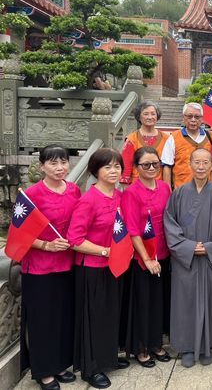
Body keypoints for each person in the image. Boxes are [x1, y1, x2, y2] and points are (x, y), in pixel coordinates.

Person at [164, 148, 212, 367]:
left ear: (211, 165)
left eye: (206, 163)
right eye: (197, 162)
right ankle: (187, 346)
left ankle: (207, 345)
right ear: (189, 164)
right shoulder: (179, 193)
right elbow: (170, 225)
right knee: (186, 301)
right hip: (187, 258)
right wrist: (189, 247)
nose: (201, 167)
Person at [67, 148, 129, 389]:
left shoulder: (119, 196)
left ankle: (108, 357)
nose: (113, 171)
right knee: (93, 319)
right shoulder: (88, 199)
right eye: (107, 167)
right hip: (92, 268)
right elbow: (75, 239)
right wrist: (105, 251)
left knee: (110, 315)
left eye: (117, 166)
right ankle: (91, 368)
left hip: (115, 266)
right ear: (95, 171)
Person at [20, 145, 81, 390]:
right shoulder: (32, 194)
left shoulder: (74, 190)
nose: (60, 168)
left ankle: (59, 364)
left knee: (63, 317)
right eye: (53, 163)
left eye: (64, 162)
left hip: (67, 264)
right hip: (39, 267)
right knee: (42, 320)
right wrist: (46, 245)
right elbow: (19, 232)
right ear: (42, 166)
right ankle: (44, 371)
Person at [121, 147, 172, 369]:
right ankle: (141, 347)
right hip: (143, 258)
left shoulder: (164, 187)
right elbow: (132, 230)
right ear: (136, 167)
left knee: (159, 302)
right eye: (146, 165)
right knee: (143, 303)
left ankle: (156, 343)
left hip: (164, 253)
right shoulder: (131, 192)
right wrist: (147, 259)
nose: (151, 169)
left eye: (155, 164)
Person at [161, 103, 212, 189]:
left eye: (197, 117)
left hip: (207, 191)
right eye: (189, 116)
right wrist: (168, 192)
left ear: (202, 119)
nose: (193, 120)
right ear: (183, 118)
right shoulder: (174, 138)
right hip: (181, 190)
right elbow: (167, 166)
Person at [120, 101, 167, 186]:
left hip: (160, 187)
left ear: (157, 116)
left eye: (153, 114)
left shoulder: (166, 138)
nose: (150, 117)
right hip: (137, 187)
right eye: (146, 114)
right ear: (139, 117)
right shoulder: (132, 139)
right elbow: (126, 168)